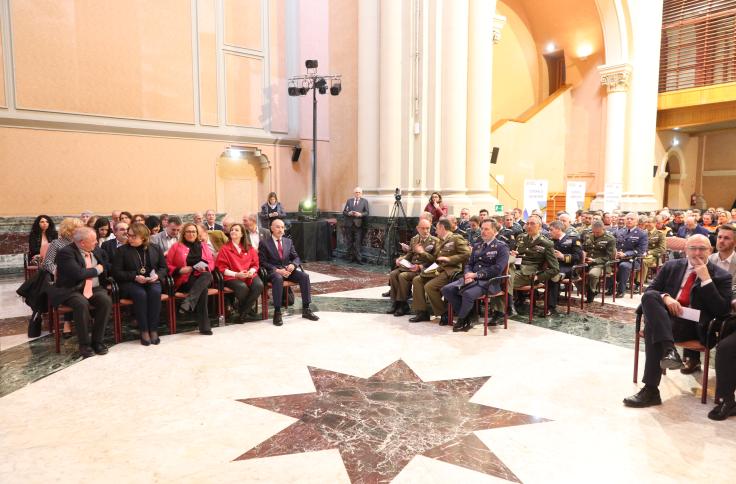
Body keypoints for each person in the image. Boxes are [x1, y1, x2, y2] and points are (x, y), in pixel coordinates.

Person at [623, 234, 732, 409]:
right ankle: (669, 350)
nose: (697, 252)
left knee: (652, 328)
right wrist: (666, 298)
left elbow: (722, 311)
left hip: (694, 325)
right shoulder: (671, 266)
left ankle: (651, 390)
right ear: (685, 250)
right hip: (667, 319)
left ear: (710, 250)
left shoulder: (721, 276)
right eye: (692, 248)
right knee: (651, 296)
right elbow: (651, 290)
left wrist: (706, 280)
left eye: (702, 248)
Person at [47, 227, 112, 358]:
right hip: (72, 289)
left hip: (94, 288)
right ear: (82, 242)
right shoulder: (66, 253)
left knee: (106, 301)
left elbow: (107, 264)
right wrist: (97, 269)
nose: (96, 242)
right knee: (81, 304)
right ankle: (84, 344)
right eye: (93, 240)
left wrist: (104, 269)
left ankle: (97, 341)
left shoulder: (96, 250)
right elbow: (78, 274)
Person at [441, 219, 509, 331]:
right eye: (482, 229)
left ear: (494, 231)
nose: (483, 231)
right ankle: (468, 317)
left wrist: (475, 275)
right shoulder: (477, 246)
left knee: (468, 294)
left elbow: (497, 269)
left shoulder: (501, 247)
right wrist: (468, 274)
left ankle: (462, 320)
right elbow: (469, 264)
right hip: (472, 278)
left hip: (490, 282)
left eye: (486, 229)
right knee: (446, 289)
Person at [112, 223, 168, 345]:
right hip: (131, 282)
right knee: (140, 294)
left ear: (143, 237)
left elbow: (163, 268)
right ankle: (144, 330)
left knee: (155, 292)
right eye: (128, 235)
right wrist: (135, 276)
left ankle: (153, 329)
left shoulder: (155, 248)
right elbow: (116, 272)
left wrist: (157, 276)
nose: (129, 238)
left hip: (151, 281)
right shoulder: (122, 250)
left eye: (133, 236)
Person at [409, 218, 471, 324]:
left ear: (442, 228)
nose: (435, 231)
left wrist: (450, 259)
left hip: (451, 271)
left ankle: (444, 313)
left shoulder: (456, 238)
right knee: (417, 280)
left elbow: (467, 254)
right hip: (439, 269)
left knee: (430, 286)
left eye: (437, 228)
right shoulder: (441, 240)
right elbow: (435, 258)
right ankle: (422, 312)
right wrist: (422, 253)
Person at [258, 219, 319, 326]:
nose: (280, 229)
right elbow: (262, 262)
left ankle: (306, 309)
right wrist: (277, 270)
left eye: (282, 227)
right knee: (278, 278)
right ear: (271, 228)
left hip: (288, 270)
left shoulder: (288, 241)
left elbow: (296, 257)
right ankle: (277, 312)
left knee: (304, 276)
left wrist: (293, 265)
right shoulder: (264, 243)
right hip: (273, 272)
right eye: (277, 227)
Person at [166, 222, 215, 335]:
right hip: (184, 279)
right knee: (203, 290)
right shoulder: (176, 246)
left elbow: (211, 262)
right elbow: (167, 265)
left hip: (201, 275)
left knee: (207, 275)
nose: (191, 234)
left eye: (193, 231)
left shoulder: (203, 245)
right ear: (183, 233)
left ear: (197, 233)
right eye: (188, 231)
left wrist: (206, 267)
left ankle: (188, 302)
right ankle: (204, 327)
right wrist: (179, 270)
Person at [386, 219, 438, 317]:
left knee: (402, 276)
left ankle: (402, 304)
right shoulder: (414, 239)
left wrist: (421, 262)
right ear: (418, 229)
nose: (426, 231)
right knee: (393, 274)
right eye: (423, 228)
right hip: (411, 266)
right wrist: (401, 259)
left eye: (428, 228)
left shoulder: (435, 241)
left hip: (423, 269)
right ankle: (396, 302)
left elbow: (435, 260)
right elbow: (410, 254)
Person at [509, 215, 559, 313]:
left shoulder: (546, 243)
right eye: (527, 224)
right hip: (515, 267)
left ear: (540, 227)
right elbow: (515, 253)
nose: (528, 226)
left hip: (529, 273)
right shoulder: (521, 237)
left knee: (504, 281)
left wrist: (538, 277)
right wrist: (513, 254)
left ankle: (507, 308)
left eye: (532, 224)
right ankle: (506, 308)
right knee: (499, 277)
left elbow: (555, 269)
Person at [215, 223, 264, 322]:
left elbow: (255, 264)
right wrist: (237, 274)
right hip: (232, 276)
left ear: (242, 234)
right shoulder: (225, 249)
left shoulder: (249, 248)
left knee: (259, 285)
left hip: (248, 274)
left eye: (236, 230)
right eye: (232, 229)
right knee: (242, 287)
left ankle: (242, 311)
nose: (233, 231)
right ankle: (246, 312)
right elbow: (221, 268)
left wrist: (251, 271)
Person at [547, 220, 583, 313]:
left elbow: (577, 257)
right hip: (553, 266)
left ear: (558, 229)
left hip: (569, 267)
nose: (549, 232)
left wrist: (563, 256)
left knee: (553, 277)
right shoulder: (550, 240)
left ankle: (551, 307)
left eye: (551, 230)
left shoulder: (573, 239)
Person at [610, 212, 648, 297]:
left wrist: (626, 254)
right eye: (627, 219)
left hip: (633, 260)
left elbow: (641, 250)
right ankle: (610, 288)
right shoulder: (620, 231)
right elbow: (613, 244)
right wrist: (615, 252)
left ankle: (621, 290)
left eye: (632, 219)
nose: (629, 220)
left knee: (624, 266)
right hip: (618, 257)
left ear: (637, 221)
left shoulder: (642, 233)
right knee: (608, 263)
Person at [582, 221, 617, 303]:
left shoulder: (610, 239)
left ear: (603, 229)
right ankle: (583, 290)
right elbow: (584, 249)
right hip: (587, 262)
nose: (596, 234)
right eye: (594, 232)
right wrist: (583, 258)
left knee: (593, 274)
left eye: (598, 232)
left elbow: (610, 257)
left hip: (602, 264)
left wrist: (594, 260)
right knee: (573, 272)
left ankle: (591, 292)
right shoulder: (589, 236)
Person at [342, 186, 370, 264]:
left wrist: (360, 214)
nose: (357, 194)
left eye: (359, 192)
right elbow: (344, 211)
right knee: (349, 242)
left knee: (358, 242)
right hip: (349, 224)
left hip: (358, 225)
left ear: (361, 193)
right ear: (354, 193)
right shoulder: (349, 201)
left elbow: (367, 212)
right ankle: (350, 258)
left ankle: (358, 259)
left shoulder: (364, 201)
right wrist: (348, 213)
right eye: (356, 192)